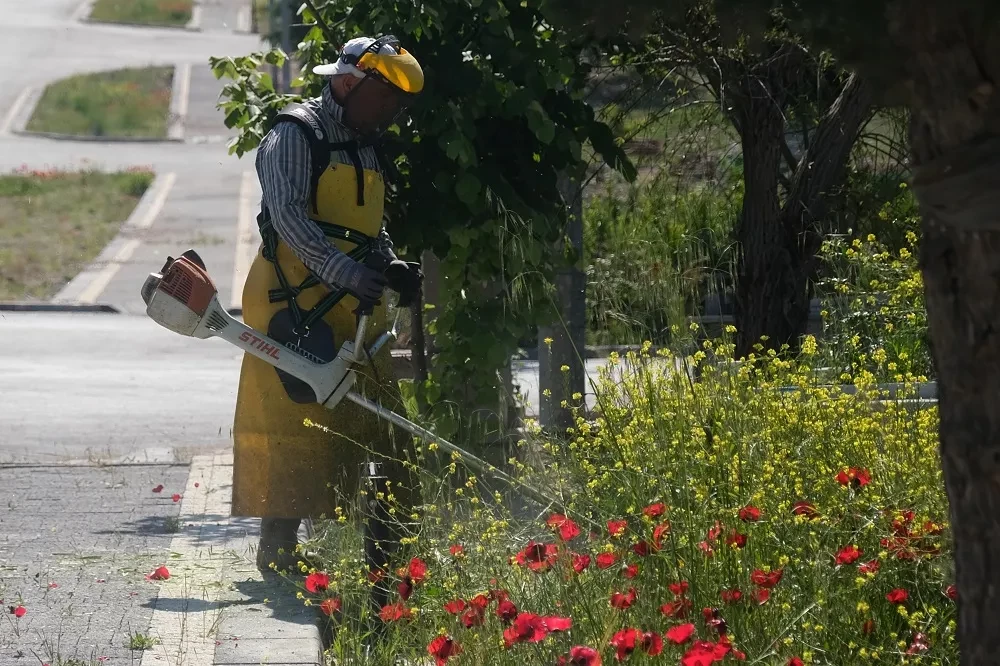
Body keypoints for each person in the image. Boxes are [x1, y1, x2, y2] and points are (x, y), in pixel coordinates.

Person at [232, 35, 425, 576]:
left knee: (386, 431)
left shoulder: (363, 142)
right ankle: (280, 553)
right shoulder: (294, 135)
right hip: (292, 305)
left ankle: (388, 561)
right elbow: (290, 219)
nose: (392, 112)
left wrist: (389, 266)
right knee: (296, 427)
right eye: (386, 98)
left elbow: (368, 225)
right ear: (347, 83)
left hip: (356, 306)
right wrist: (347, 274)